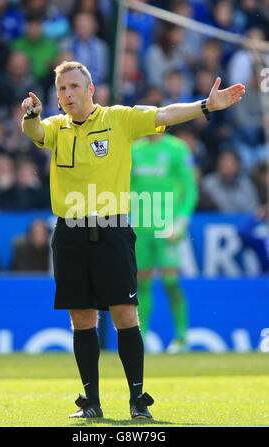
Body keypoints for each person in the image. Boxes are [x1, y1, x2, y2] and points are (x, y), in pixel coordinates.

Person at [21, 60, 245, 420]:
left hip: (112, 229)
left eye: (75, 87)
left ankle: (137, 400)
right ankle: (90, 402)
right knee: (82, 317)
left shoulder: (118, 119)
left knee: (126, 314)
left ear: (90, 90)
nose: (68, 94)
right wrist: (30, 113)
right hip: (70, 232)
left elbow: (166, 113)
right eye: (62, 89)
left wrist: (206, 105)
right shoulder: (56, 127)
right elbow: (32, 130)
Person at [130, 132, 198, 353]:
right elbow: (124, 187)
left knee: (171, 281)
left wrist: (181, 222)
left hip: (168, 227)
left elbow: (190, 189)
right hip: (140, 228)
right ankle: (142, 337)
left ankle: (181, 337)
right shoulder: (134, 149)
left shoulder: (177, 148)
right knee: (142, 284)